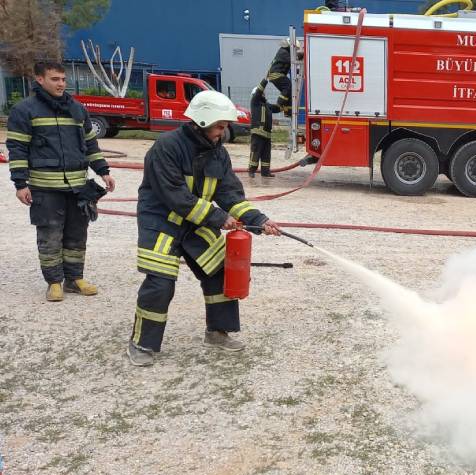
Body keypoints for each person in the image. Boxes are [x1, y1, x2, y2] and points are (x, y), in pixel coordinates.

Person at [128, 90, 282, 367]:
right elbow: (175, 196)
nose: (224, 133)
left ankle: (217, 332)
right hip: (162, 223)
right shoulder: (167, 147)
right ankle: (142, 343)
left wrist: (259, 220)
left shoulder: (218, 154)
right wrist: (218, 217)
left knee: (219, 272)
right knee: (160, 284)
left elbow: (231, 195)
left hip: (197, 223)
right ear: (201, 122)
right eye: (220, 126)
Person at [5, 61, 116, 301]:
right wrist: (20, 184)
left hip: (78, 187)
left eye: (63, 79)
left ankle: (74, 280)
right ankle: (54, 282)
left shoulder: (77, 110)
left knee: (77, 234)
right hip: (45, 188)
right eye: (55, 79)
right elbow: (17, 148)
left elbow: (90, 144)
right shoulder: (24, 111)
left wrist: (103, 170)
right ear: (40, 79)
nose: (61, 84)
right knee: (50, 235)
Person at [248, 79, 281, 178]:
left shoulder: (267, 105)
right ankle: (251, 171)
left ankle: (265, 172)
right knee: (256, 152)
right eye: (262, 93)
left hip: (267, 134)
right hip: (258, 133)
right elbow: (258, 92)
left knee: (266, 154)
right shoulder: (255, 102)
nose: (263, 94)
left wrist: (286, 104)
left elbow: (277, 108)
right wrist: (265, 81)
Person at [266, 39, 303, 115]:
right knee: (288, 86)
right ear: (290, 46)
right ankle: (279, 104)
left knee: (290, 92)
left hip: (276, 74)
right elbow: (293, 61)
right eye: (295, 49)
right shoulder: (283, 52)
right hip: (276, 74)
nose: (295, 51)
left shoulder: (285, 52)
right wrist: (302, 55)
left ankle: (288, 111)